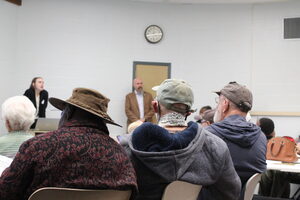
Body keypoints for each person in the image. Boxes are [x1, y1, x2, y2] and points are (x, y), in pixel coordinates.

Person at [0, 88, 137, 200]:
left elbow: (5, 192)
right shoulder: (121, 155)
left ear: (68, 113)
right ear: (102, 121)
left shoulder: (37, 147)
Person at [126, 79, 241, 200]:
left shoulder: (129, 146)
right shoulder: (216, 147)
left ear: (155, 106)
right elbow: (231, 192)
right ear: (189, 112)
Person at [207, 81, 267, 186]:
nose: (217, 107)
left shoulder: (209, 134)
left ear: (225, 104)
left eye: (218, 102)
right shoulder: (261, 137)